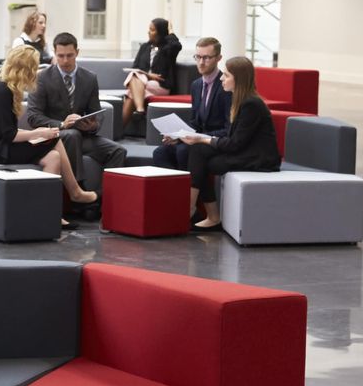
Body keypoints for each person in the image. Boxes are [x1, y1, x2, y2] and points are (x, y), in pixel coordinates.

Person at [0, 44, 96, 216]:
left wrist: (39, 133)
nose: (36, 72)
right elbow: (10, 135)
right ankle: (75, 192)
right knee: (53, 139)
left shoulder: (7, 88)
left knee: (53, 157)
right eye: (34, 67)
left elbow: (8, 131)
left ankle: (50, 214)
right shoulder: (2, 91)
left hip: (2, 146)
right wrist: (39, 133)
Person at [186, 55, 282, 232]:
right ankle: (201, 212)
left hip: (259, 159)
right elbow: (233, 140)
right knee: (199, 151)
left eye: (227, 75)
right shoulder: (239, 100)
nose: (221, 78)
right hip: (245, 151)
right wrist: (201, 140)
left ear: (239, 79)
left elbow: (234, 144)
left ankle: (194, 210)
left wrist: (202, 138)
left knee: (204, 157)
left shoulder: (251, 104)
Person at [25, 32, 128, 192]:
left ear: (77, 53)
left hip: (81, 136)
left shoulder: (89, 78)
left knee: (118, 151)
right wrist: (62, 124)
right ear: (55, 53)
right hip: (51, 136)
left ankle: (103, 198)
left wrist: (92, 126)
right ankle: (78, 191)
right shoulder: (41, 78)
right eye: (61, 56)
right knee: (72, 135)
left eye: (69, 55)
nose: (65, 60)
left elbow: (96, 113)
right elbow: (33, 117)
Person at [152, 37, 231, 211]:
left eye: (206, 58)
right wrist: (177, 135)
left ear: (218, 58)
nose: (201, 62)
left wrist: (198, 137)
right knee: (160, 153)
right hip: (196, 140)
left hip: (214, 141)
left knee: (184, 151)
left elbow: (228, 129)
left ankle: (187, 206)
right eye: (198, 57)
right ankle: (174, 198)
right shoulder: (196, 85)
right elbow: (196, 122)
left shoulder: (226, 86)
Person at [116, 18, 181, 133]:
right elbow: (135, 66)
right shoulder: (144, 47)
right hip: (143, 83)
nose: (148, 32)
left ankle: (118, 132)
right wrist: (149, 75)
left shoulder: (167, 49)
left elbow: (176, 46)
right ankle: (139, 110)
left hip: (161, 85)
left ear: (160, 32)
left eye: (152, 30)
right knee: (134, 79)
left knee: (131, 91)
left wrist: (170, 32)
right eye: (149, 29)